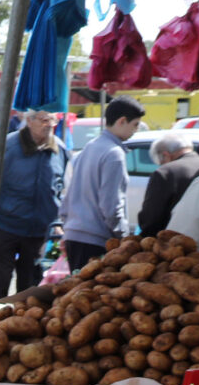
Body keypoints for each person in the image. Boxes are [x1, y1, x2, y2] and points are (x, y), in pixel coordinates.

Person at [58, 96, 145, 271]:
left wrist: (67, 228)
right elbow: (111, 205)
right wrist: (123, 238)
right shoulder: (114, 154)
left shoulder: (91, 146)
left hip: (75, 235)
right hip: (95, 240)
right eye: (135, 124)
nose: (136, 130)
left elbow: (69, 193)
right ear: (122, 121)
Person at [0, 108, 68, 297]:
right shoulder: (7, 146)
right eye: (44, 120)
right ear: (29, 120)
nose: (49, 125)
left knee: (31, 287)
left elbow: (61, 187)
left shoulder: (59, 149)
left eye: (52, 120)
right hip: (5, 225)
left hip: (38, 230)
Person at [136, 134, 199, 237]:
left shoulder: (165, 172)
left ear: (165, 155)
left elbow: (151, 217)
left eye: (161, 162)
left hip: (172, 243)